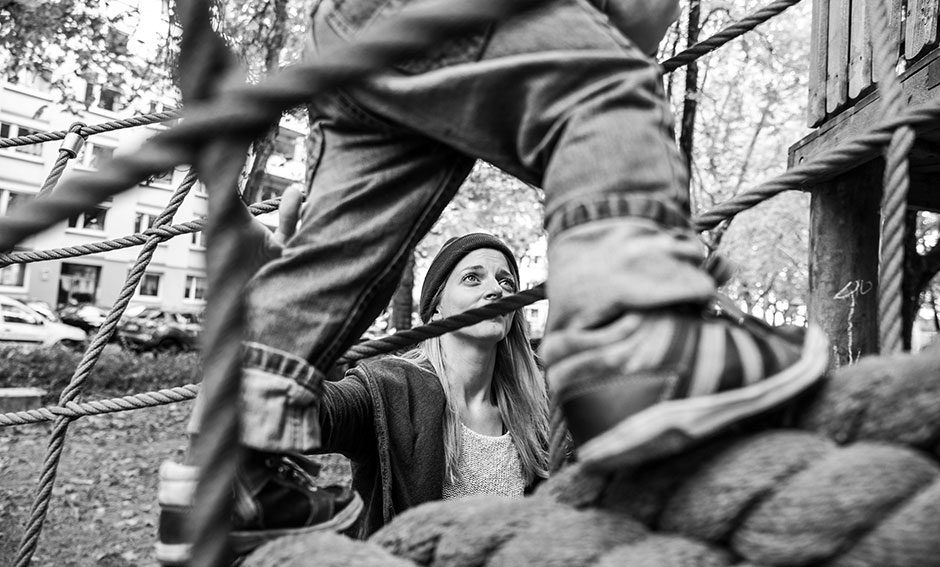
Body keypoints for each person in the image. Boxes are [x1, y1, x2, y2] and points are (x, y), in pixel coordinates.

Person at [159, 0, 830, 560]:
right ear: (437, 302)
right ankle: (632, 335)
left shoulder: (537, 395)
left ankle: (228, 470)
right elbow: (340, 409)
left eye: (504, 276)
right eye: (472, 276)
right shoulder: (396, 387)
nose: (494, 289)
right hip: (424, 16)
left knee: (335, 257)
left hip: (356, 44)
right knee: (606, 88)